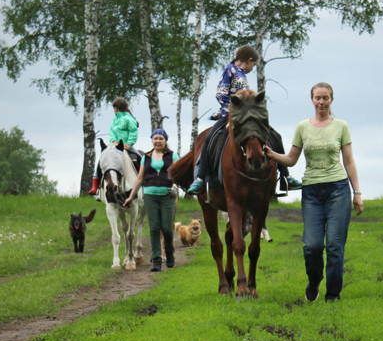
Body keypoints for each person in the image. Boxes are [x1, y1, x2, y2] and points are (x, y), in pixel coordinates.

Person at [265, 82, 363, 302]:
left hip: (338, 189)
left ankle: (333, 295)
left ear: (331, 100)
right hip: (312, 192)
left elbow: (349, 161)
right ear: (312, 100)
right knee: (312, 245)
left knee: (335, 246)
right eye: (318, 98)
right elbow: (291, 158)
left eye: (325, 98)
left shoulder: (341, 126)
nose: (321, 102)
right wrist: (271, 154)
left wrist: (357, 192)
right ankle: (314, 280)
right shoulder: (302, 127)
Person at [187, 45, 302, 194]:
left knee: (275, 136)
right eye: (253, 65)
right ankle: (201, 179)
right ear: (248, 60)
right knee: (209, 138)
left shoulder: (242, 74)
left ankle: (286, 177)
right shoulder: (230, 70)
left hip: (247, 116)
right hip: (230, 115)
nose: (253, 68)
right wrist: (234, 108)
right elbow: (220, 93)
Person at [123, 128, 180, 272]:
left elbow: (177, 175)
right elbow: (140, 178)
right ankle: (156, 259)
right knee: (154, 228)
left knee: (167, 228)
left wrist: (174, 186)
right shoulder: (146, 157)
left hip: (168, 195)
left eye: (161, 138)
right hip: (150, 195)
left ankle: (169, 252)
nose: (158, 141)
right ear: (152, 140)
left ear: (165, 140)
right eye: (155, 138)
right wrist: (131, 196)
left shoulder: (172, 156)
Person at [88, 97, 139, 196]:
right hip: (115, 146)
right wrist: (114, 141)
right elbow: (111, 132)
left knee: (140, 158)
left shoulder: (129, 119)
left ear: (115, 108)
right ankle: (96, 188)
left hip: (127, 146)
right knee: (101, 160)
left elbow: (133, 132)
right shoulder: (114, 120)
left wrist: (129, 143)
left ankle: (144, 184)